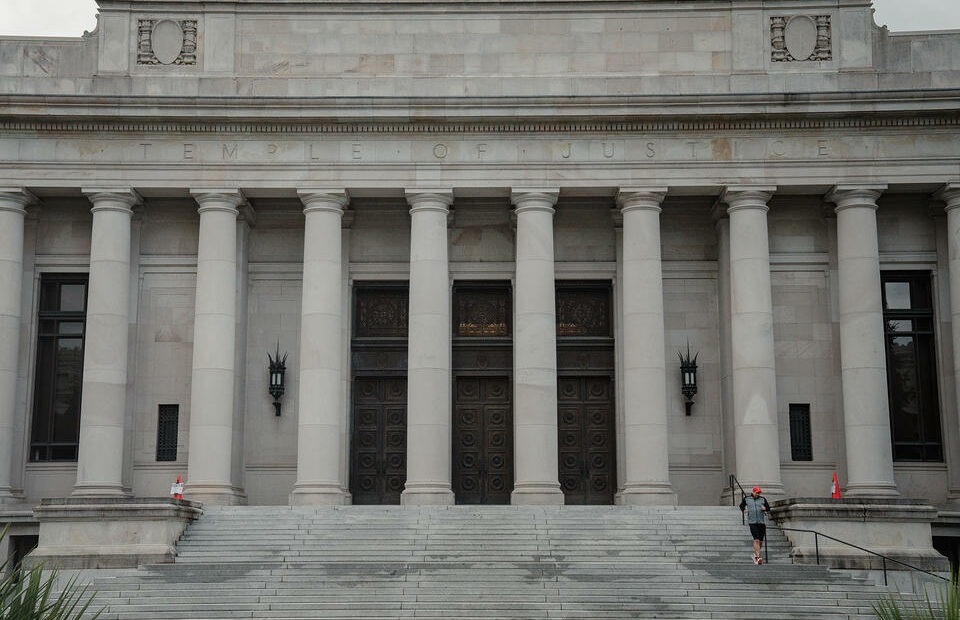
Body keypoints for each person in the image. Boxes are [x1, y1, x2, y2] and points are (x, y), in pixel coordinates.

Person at [739, 485, 770, 564]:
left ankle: (755, 555)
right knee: (756, 539)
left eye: (759, 492)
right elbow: (741, 506)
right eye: (757, 492)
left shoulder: (763, 499)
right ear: (753, 492)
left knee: (760, 541)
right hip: (752, 522)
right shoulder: (747, 499)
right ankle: (758, 557)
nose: (758, 494)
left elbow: (768, 508)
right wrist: (744, 509)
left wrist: (765, 509)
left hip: (761, 522)